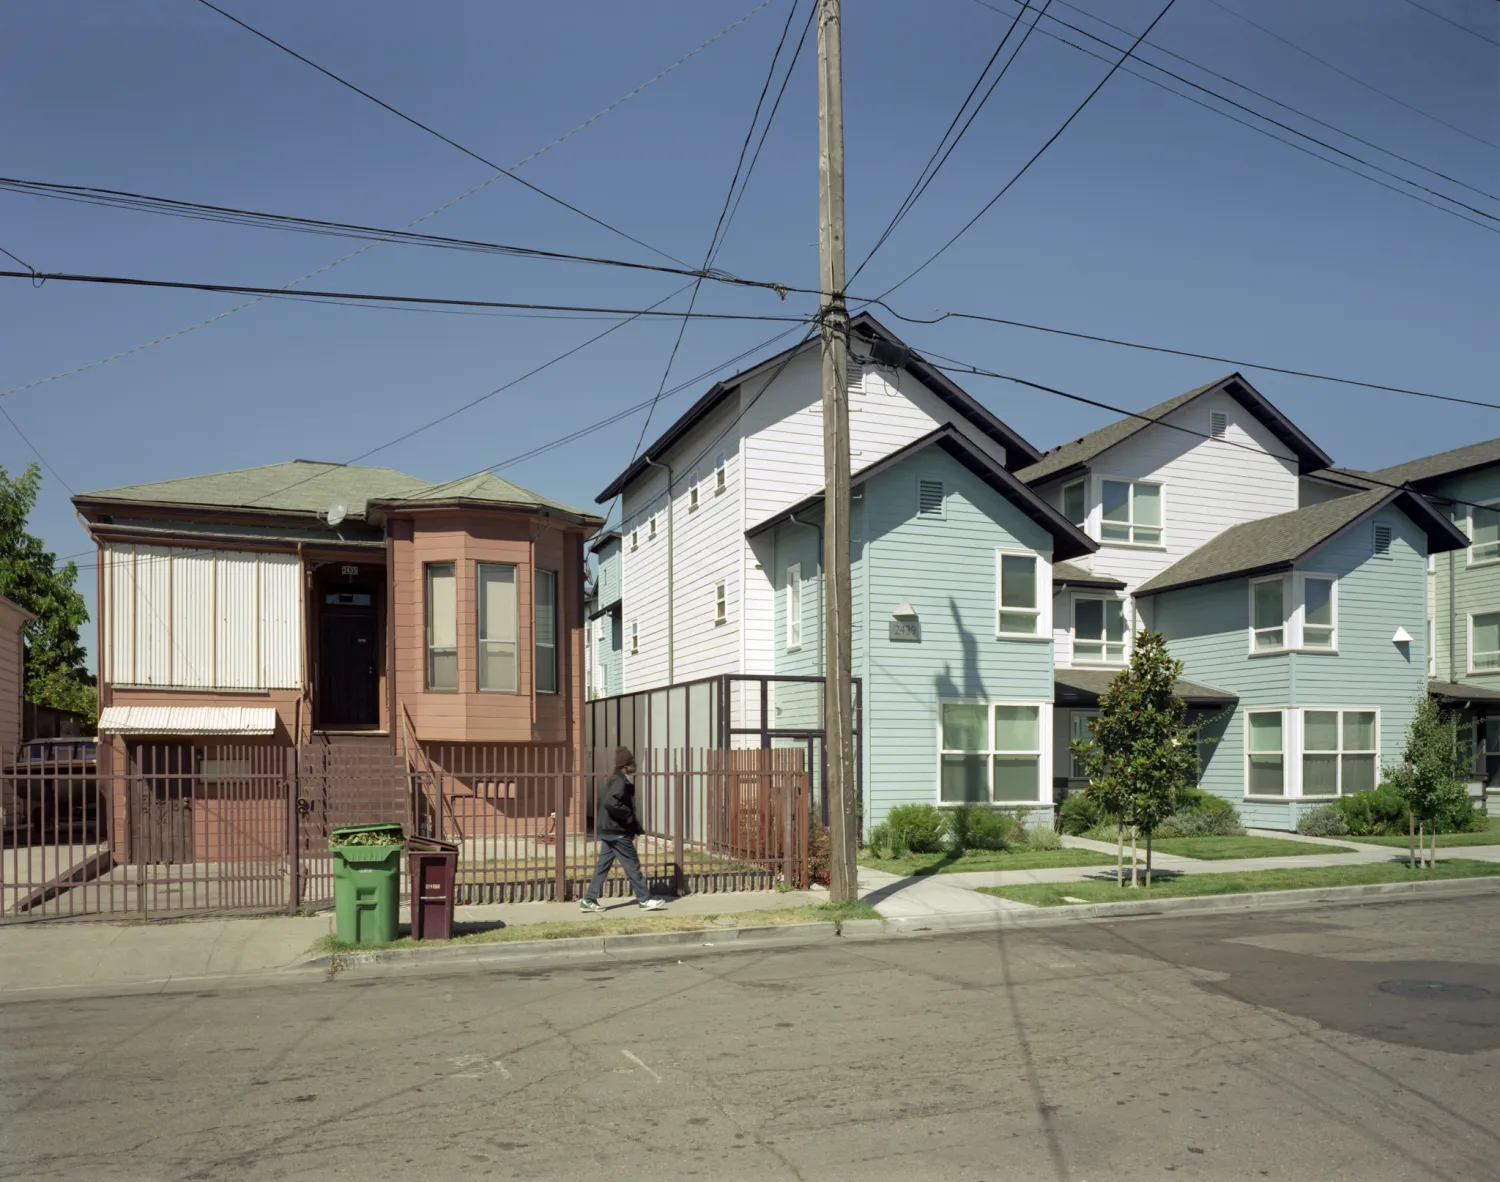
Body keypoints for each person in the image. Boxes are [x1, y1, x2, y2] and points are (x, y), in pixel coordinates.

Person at [581, 747, 666, 912]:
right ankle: (645, 899)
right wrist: (627, 815)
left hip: (608, 831)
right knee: (632, 864)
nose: (635, 765)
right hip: (617, 831)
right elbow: (611, 802)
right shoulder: (620, 781)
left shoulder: (616, 779)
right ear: (625, 766)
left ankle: (589, 900)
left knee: (602, 866)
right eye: (632, 763)